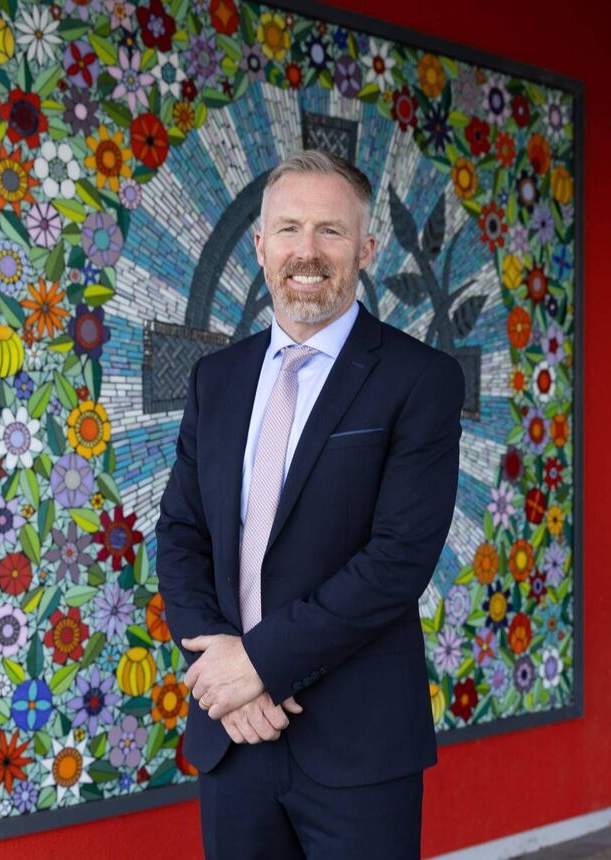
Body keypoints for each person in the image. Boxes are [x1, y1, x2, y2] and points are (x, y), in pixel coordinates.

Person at [156, 150, 465, 859]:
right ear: (260, 246)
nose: (307, 251)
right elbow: (180, 534)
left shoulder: (420, 379)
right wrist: (224, 671)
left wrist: (259, 665)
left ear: (366, 249)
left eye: (330, 231)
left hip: (357, 741)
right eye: (289, 229)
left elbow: (397, 560)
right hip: (234, 733)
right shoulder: (216, 380)